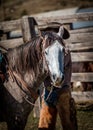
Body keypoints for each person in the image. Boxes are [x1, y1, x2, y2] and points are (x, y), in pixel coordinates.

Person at [38, 26, 78, 130]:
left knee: (67, 122)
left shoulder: (64, 52)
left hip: (62, 90)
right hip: (48, 91)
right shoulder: (46, 51)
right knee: (45, 124)